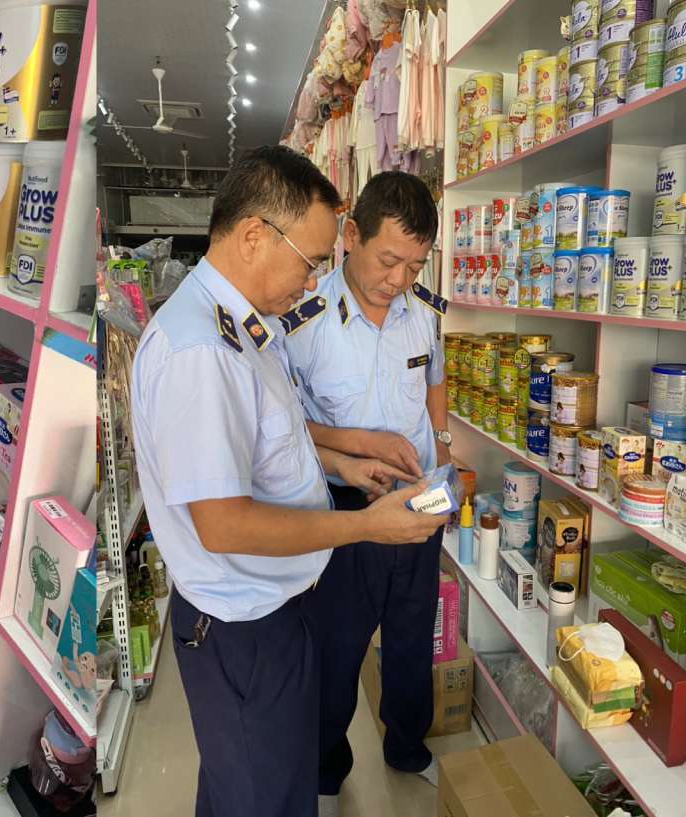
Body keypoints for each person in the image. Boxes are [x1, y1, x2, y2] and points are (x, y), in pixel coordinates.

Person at [129, 147, 446, 817]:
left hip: (274, 612)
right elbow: (225, 524)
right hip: (243, 628)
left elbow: (278, 439)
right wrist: (365, 522)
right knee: (264, 796)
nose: (311, 281)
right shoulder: (201, 353)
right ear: (253, 236)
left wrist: (344, 463)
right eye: (309, 261)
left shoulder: (246, 330)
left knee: (254, 785)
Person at [280, 171, 449, 815]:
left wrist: (441, 440)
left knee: (413, 634)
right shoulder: (303, 318)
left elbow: (433, 379)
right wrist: (357, 447)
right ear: (351, 236)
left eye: (415, 264)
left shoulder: (425, 311)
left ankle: (409, 748)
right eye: (388, 260)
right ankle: (326, 767)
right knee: (339, 645)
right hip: (344, 503)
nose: (399, 279)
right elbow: (286, 422)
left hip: (420, 494)